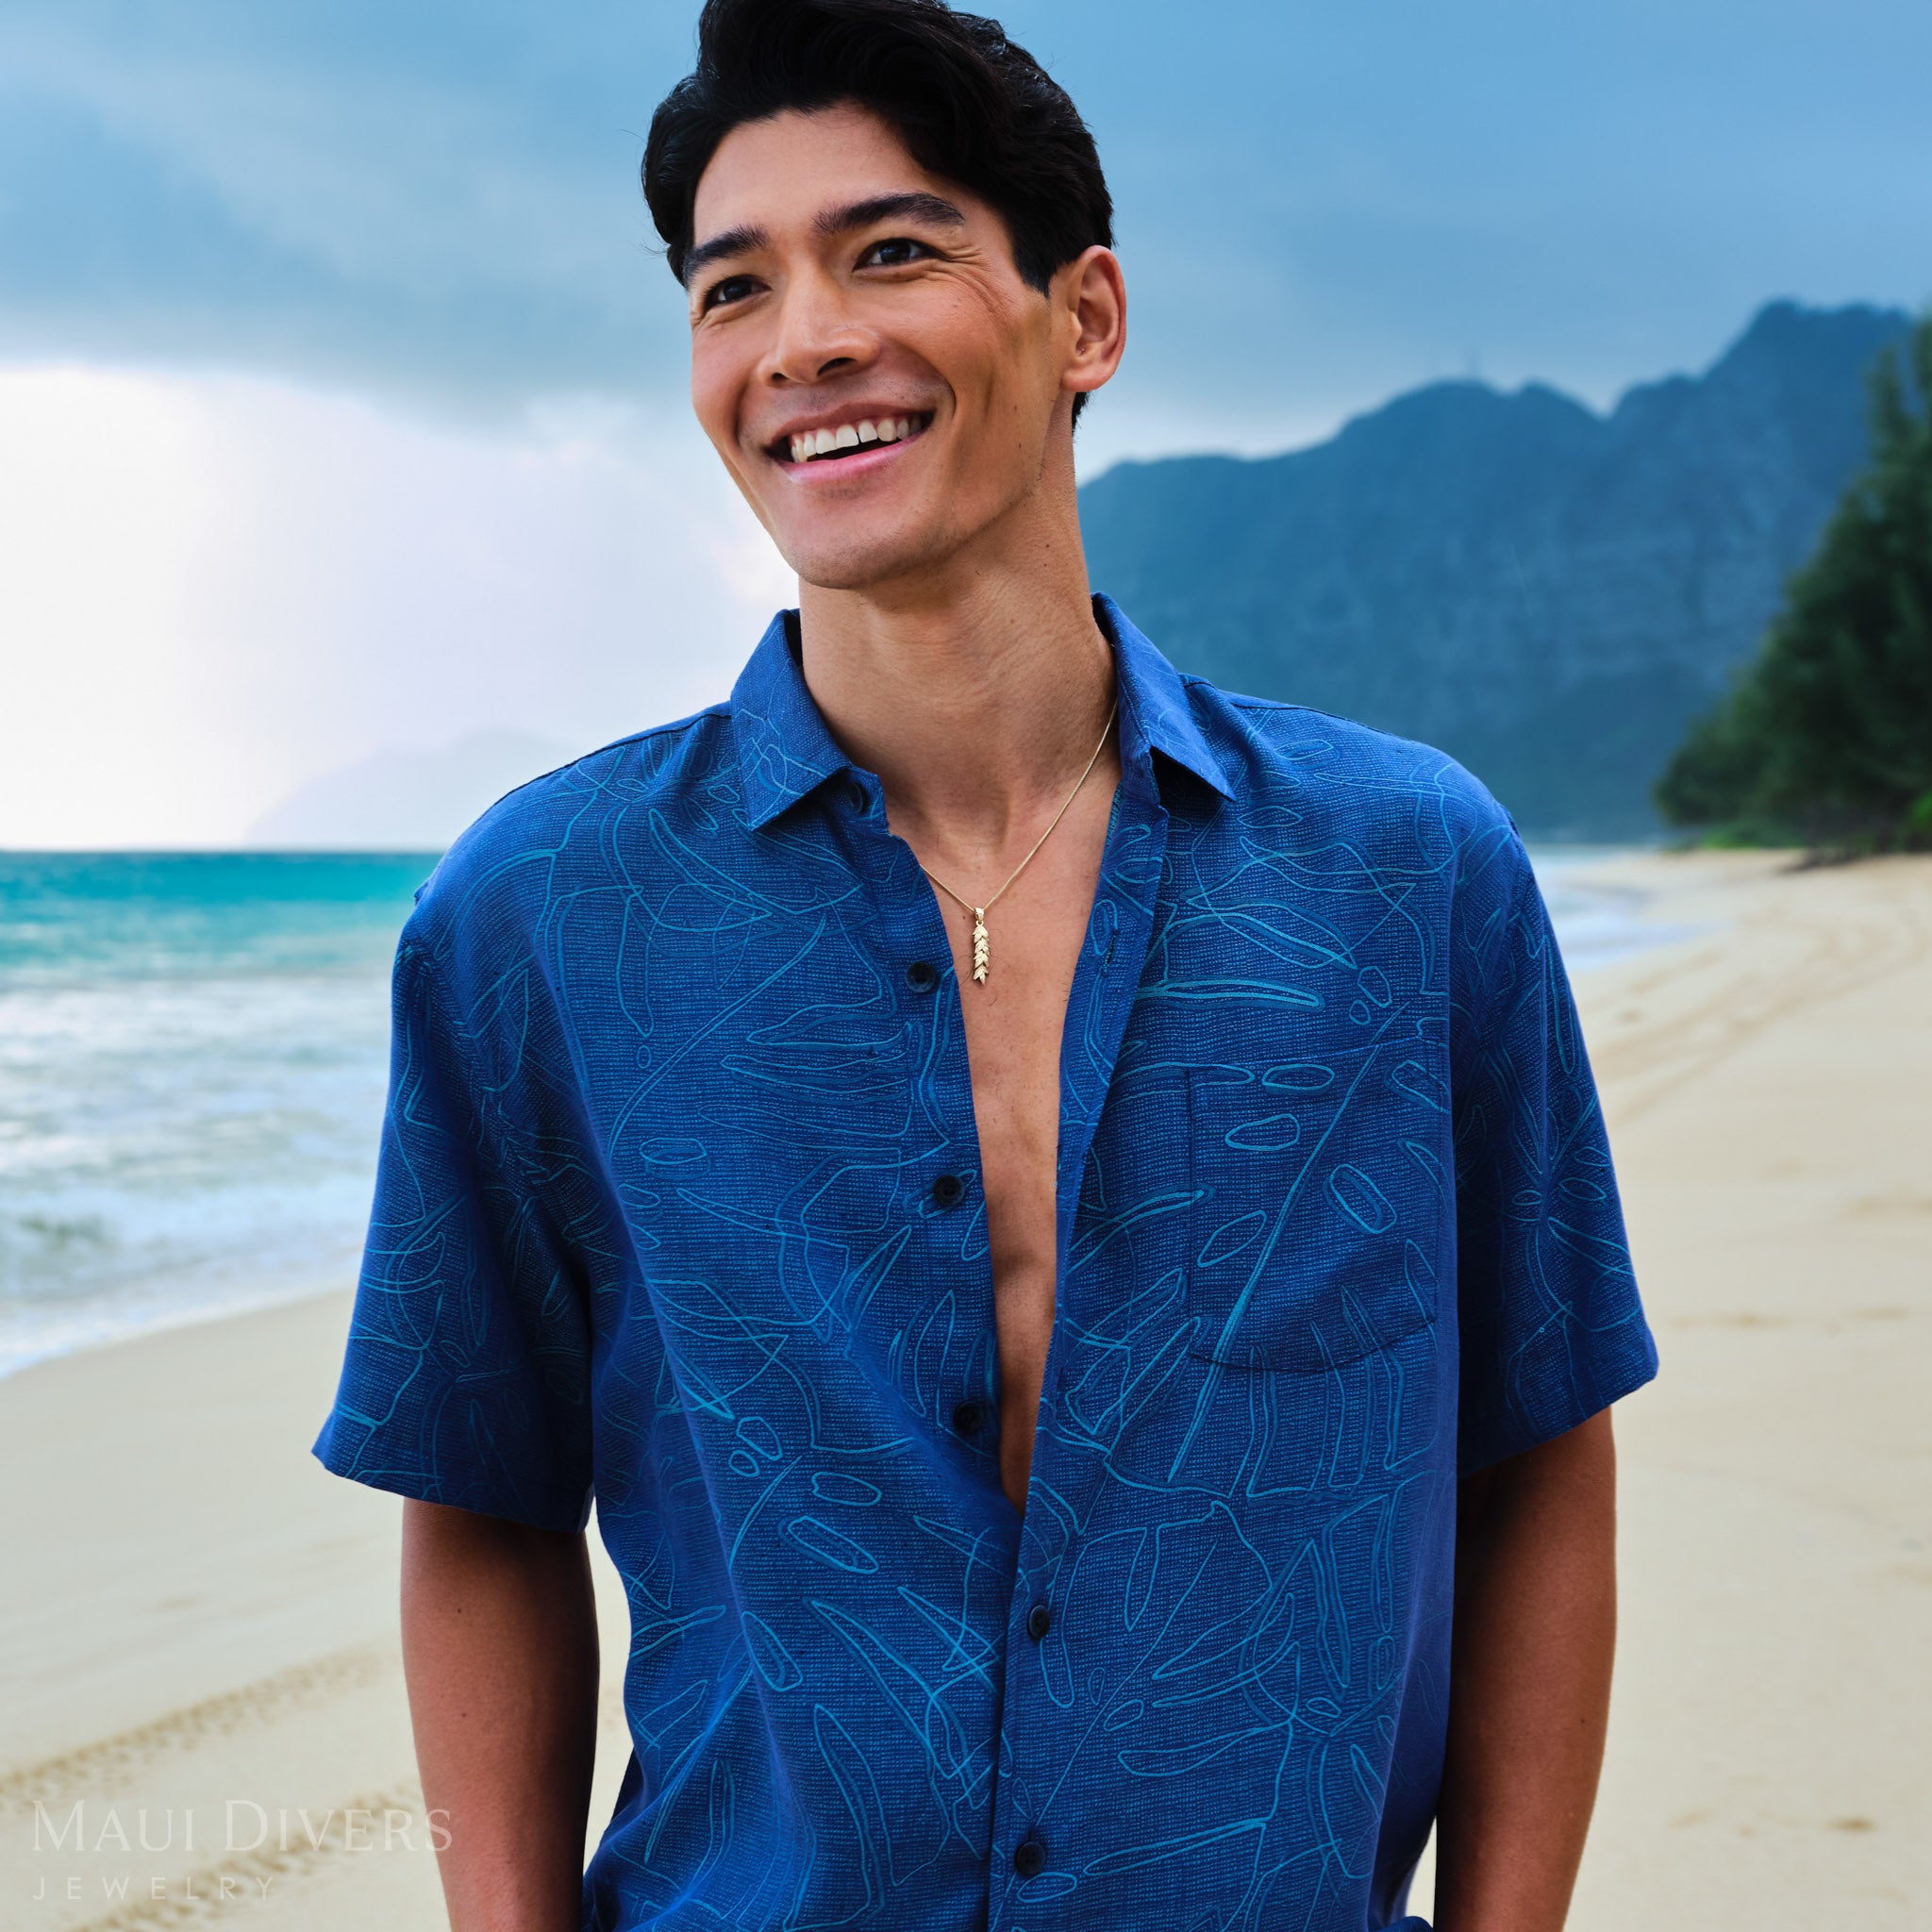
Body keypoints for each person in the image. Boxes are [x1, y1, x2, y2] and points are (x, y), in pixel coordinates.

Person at [314, 1, 1658, 1925]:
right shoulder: (540, 913)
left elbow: (1535, 1454)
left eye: (892, 252)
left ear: (1083, 317)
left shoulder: (1406, 873)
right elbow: (479, 1507)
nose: (803, 343)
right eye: (731, 288)